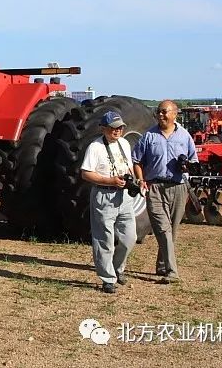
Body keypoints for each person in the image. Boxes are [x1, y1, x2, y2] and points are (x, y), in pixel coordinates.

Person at [132, 100, 198, 284]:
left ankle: (162, 265)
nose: (160, 115)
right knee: (163, 228)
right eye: (158, 112)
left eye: (164, 112)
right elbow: (136, 160)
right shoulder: (149, 136)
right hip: (155, 187)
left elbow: (194, 160)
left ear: (174, 114)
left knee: (172, 230)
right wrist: (141, 180)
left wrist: (186, 165)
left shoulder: (184, 136)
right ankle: (172, 272)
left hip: (178, 187)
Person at [80, 110, 137, 294]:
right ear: (103, 129)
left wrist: (135, 181)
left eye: (120, 127)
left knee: (130, 237)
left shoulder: (125, 144)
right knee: (104, 238)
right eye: (113, 128)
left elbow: (128, 165)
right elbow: (86, 173)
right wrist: (110, 181)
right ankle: (108, 278)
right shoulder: (95, 147)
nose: (117, 131)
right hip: (104, 195)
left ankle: (117, 268)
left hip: (125, 196)